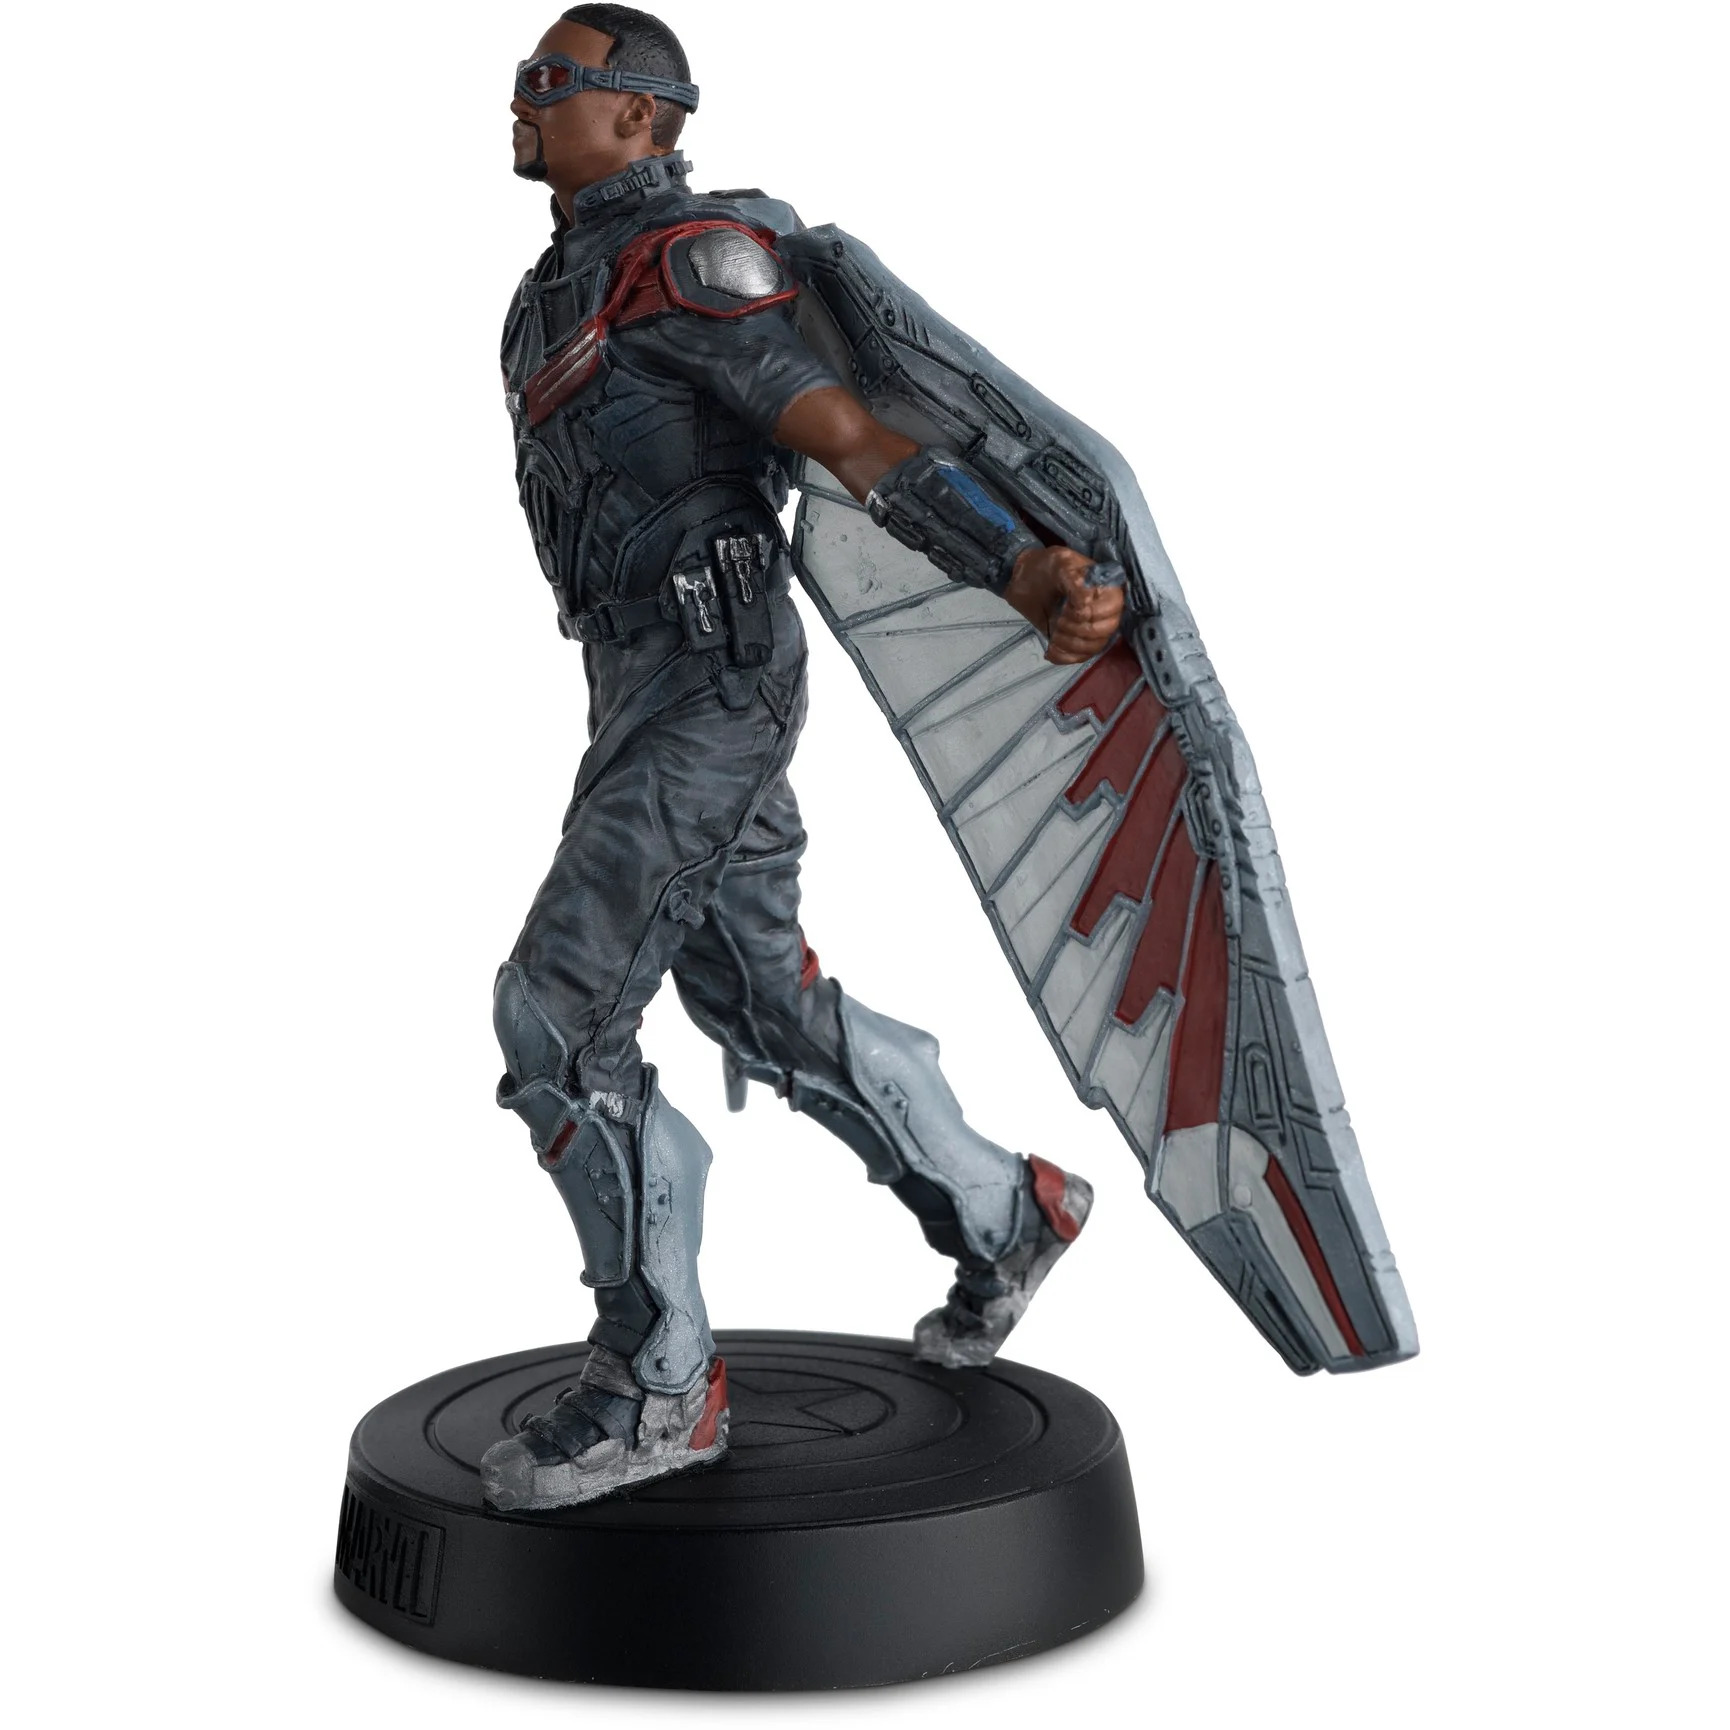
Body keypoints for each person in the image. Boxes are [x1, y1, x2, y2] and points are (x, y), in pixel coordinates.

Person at [483, 4, 1125, 1512]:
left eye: (549, 82)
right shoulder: (551, 289)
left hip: (711, 690)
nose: (520, 102)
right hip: (638, 687)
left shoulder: (694, 263)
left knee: (556, 1015)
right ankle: (1004, 1209)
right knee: (756, 993)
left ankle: (661, 1385)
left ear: (641, 114)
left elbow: (844, 436)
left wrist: (1018, 565)